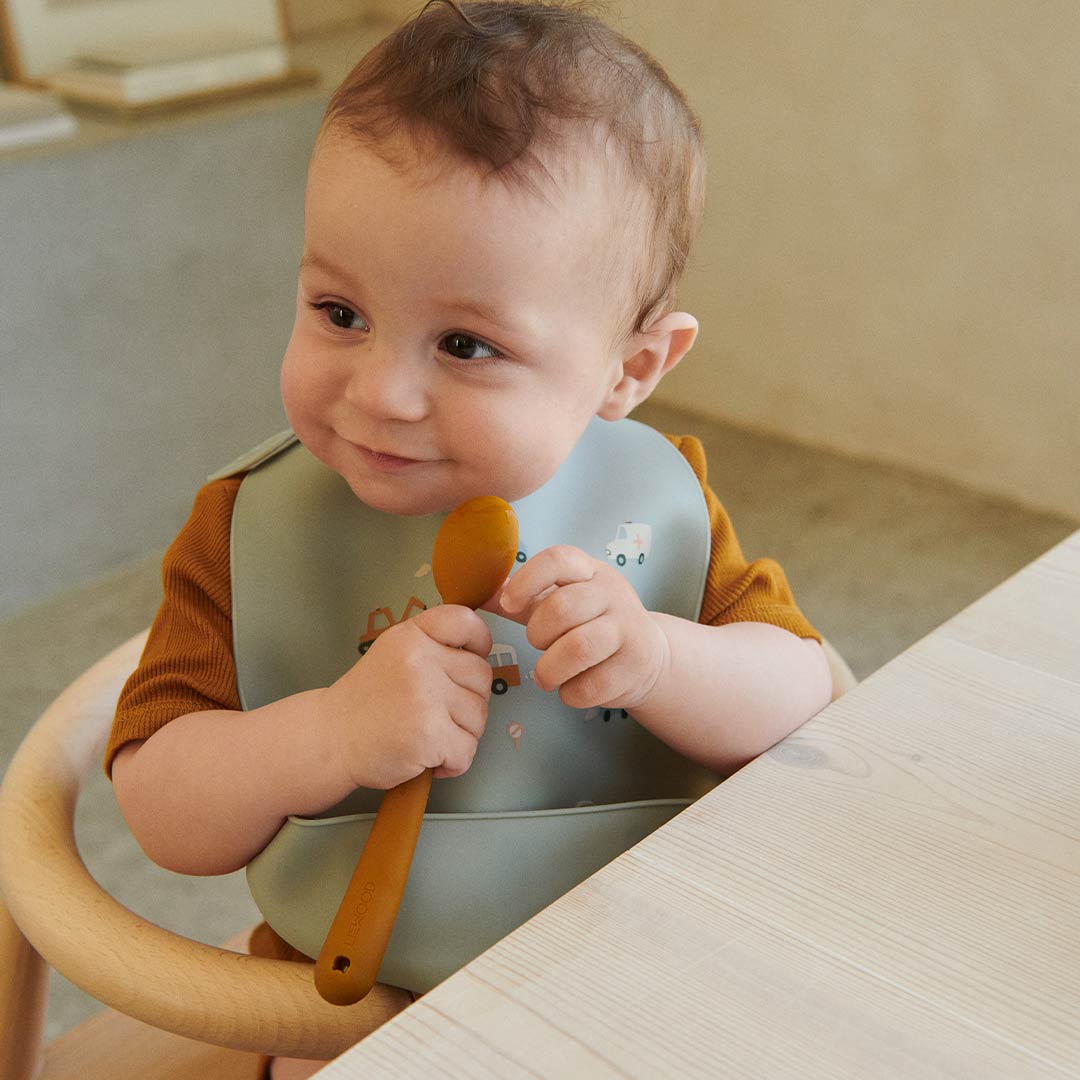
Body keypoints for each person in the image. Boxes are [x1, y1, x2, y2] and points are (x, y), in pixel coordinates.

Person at [104, 2, 833, 1075]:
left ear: (629, 370)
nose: (381, 394)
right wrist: (328, 737)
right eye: (339, 312)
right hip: (354, 1011)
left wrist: (661, 659)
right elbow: (162, 814)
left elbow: (807, 694)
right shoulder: (252, 524)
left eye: (465, 344)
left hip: (637, 980)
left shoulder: (651, 499)